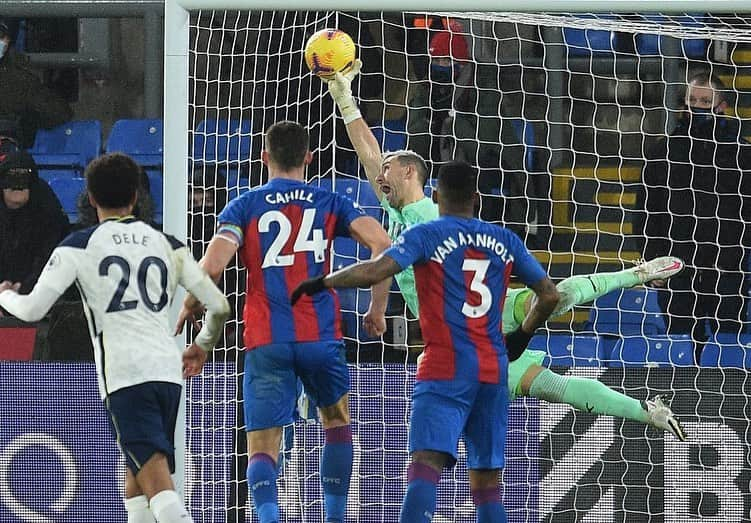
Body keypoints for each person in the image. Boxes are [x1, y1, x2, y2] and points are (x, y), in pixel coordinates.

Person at [324, 65, 688, 441]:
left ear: (409, 174)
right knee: (556, 388)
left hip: (478, 318)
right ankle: (646, 413)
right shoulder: (398, 212)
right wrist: (343, 96)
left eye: (387, 169)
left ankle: (638, 274)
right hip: (468, 334)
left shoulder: (430, 219)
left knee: (556, 297)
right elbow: (367, 152)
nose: (378, 176)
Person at [293, 160, 561, 522]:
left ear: (436, 196)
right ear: (477, 199)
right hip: (492, 368)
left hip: (445, 367)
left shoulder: (427, 234)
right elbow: (548, 294)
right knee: (487, 486)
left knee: (425, 466)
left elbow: (375, 270)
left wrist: (321, 282)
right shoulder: (504, 240)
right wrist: (522, 335)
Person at [175, 121, 392, 523]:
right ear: (309, 158)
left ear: (264, 158)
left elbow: (214, 266)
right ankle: (334, 516)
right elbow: (383, 244)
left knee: (262, 444)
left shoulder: (244, 205)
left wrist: (191, 304)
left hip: (266, 338)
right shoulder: (329, 201)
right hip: (321, 335)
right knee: (336, 423)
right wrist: (377, 308)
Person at [0, 152, 230, 522]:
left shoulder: (80, 245)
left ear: (90, 199)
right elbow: (219, 307)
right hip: (167, 375)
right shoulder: (168, 244)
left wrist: (3, 294)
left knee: (159, 487)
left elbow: (32, 310)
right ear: (136, 197)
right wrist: (202, 345)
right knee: (135, 484)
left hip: (127, 377)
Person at [638, 71, 751, 362]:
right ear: (682, 105)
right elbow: (647, 212)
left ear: (722, 106)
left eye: (705, 101)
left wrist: (739, 259)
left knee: (728, 343)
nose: (697, 107)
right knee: (679, 340)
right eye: (692, 100)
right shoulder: (662, 152)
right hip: (676, 268)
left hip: (728, 269)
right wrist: (652, 262)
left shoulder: (743, 155)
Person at [0, 149, 69, 297]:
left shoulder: (46, 206)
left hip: (40, 289)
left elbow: (52, 254)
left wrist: (25, 287)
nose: (16, 191)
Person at [0, 18, 73, 147]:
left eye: (1, 35)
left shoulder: (20, 80)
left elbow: (59, 112)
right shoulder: (19, 77)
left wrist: (28, 116)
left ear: (8, 41)